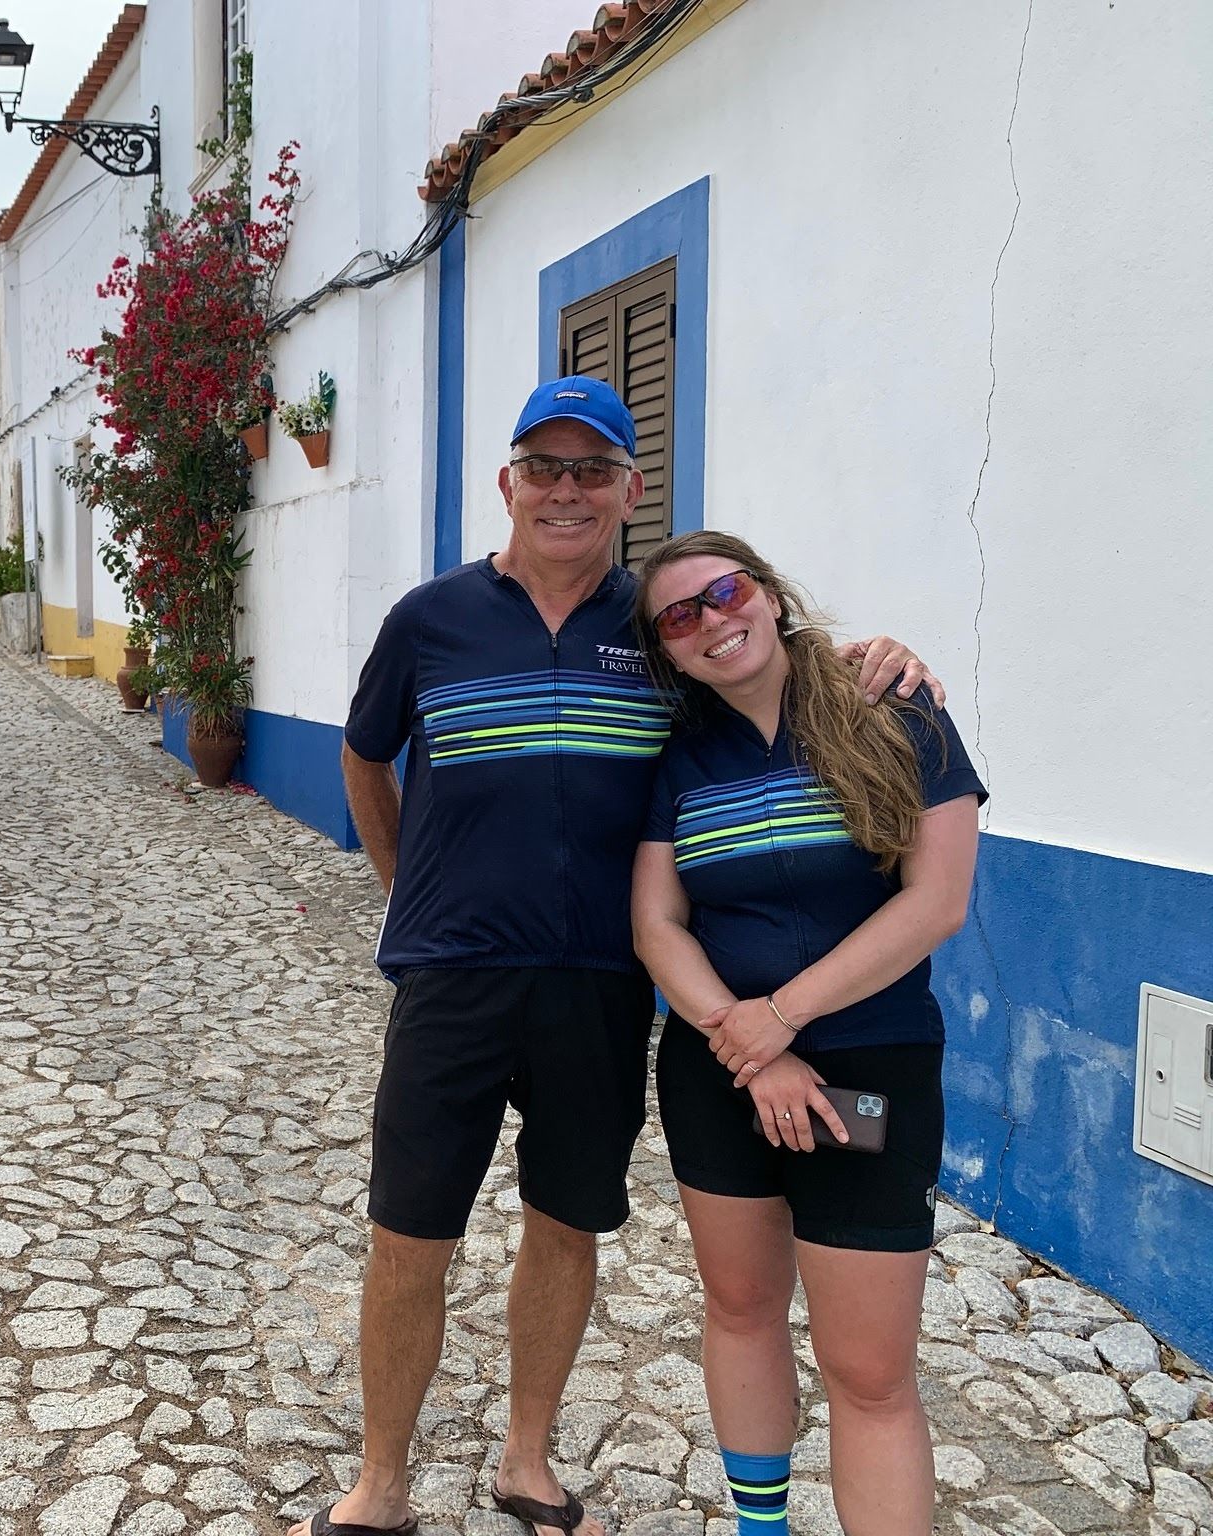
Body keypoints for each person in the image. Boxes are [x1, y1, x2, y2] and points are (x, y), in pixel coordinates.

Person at [304, 378, 936, 1536]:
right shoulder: (427, 620)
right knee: (408, 1231)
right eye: (541, 467)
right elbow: (362, 756)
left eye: (590, 469)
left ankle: (527, 1463)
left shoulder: (655, 630)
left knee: (565, 1219)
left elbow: (759, 671)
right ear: (506, 484)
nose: (563, 490)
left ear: (629, 492)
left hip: (600, 984)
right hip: (451, 978)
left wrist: (873, 654)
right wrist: (405, 894)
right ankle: (377, 1486)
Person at [630, 531, 983, 1536]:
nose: (709, 620)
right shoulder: (679, 757)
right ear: (666, 650)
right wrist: (745, 1046)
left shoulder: (894, 712)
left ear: (768, 595)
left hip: (867, 1070)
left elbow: (935, 902)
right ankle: (759, 1527)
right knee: (738, 1310)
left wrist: (780, 1022)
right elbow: (655, 922)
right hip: (716, 1070)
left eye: (723, 592)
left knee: (866, 1372)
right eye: (678, 616)